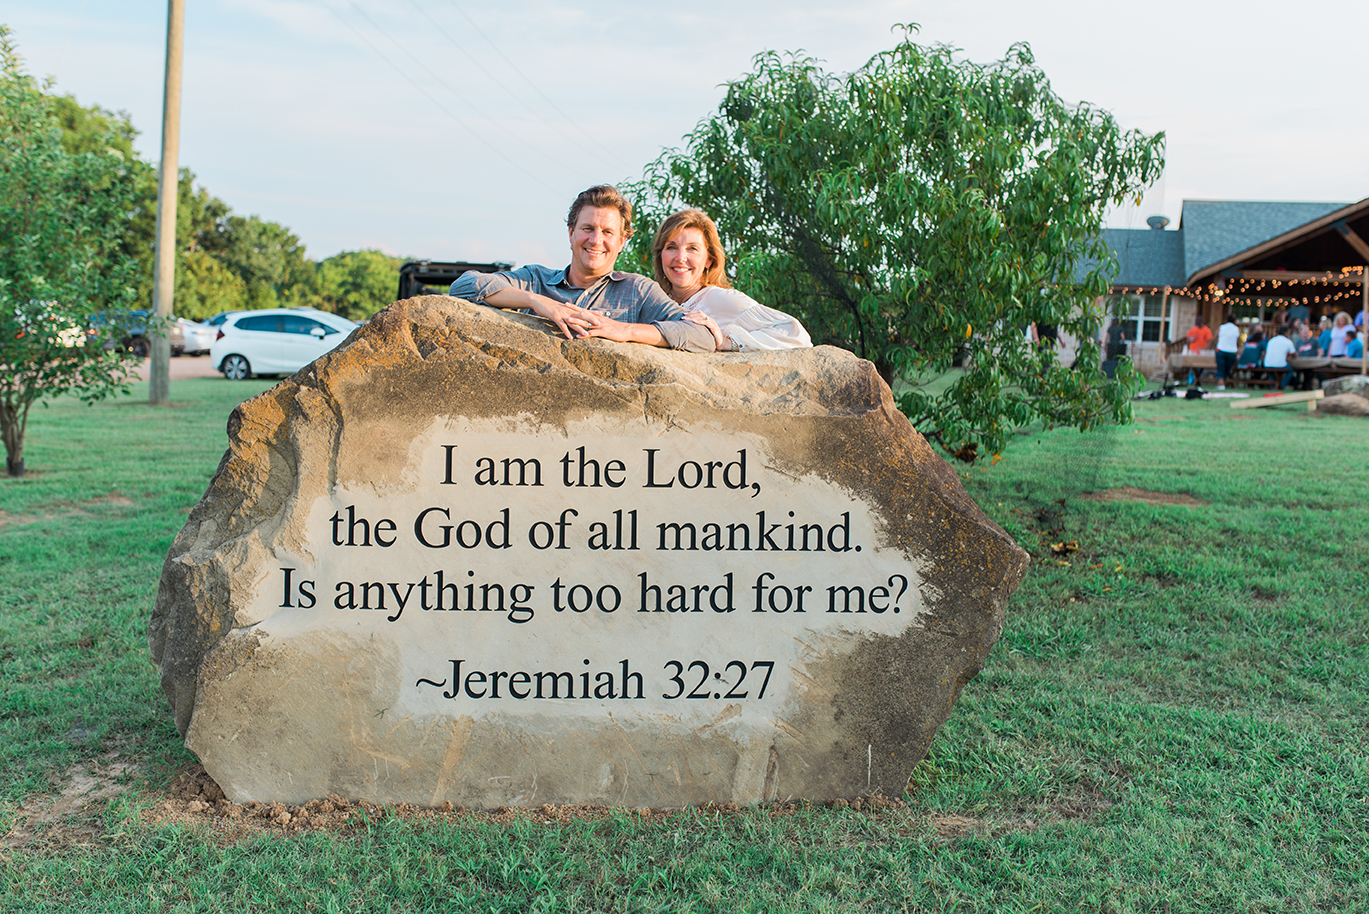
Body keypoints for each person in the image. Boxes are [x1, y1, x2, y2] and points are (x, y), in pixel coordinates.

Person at [449, 185, 714, 352]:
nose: (596, 240)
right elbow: (463, 286)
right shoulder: (535, 280)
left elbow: (701, 336)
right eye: (588, 229)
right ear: (571, 232)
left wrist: (624, 330)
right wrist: (538, 302)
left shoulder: (639, 291)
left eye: (607, 232)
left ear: (622, 241)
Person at [650, 209, 811, 351]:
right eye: (671, 247)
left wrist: (729, 343)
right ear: (660, 255)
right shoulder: (656, 303)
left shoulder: (718, 299)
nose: (680, 258)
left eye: (692, 248)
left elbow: (795, 333)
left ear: (709, 260)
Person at [1214, 313, 1240, 390]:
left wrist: (1216, 345)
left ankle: (1221, 385)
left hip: (1221, 350)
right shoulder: (1237, 329)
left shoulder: (1222, 327)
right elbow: (1238, 341)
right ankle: (1221, 383)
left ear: (1226, 320)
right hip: (1232, 351)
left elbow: (1215, 337)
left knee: (1220, 367)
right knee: (1227, 368)